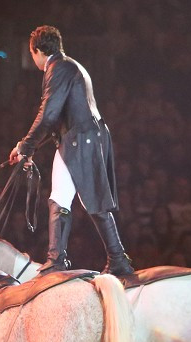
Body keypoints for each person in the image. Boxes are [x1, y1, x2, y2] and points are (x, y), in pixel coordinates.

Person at [9, 25, 136, 281]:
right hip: (83, 138)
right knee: (73, 197)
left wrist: (26, 145)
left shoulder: (57, 69)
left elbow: (49, 113)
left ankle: (60, 260)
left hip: (80, 140)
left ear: (37, 51)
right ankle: (110, 259)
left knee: (75, 198)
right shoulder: (70, 66)